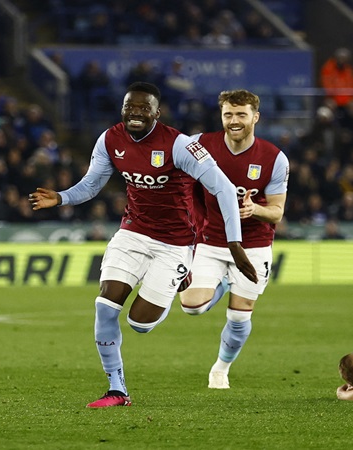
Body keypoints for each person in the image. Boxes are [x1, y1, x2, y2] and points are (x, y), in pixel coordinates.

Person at [28, 82, 258, 408]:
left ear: (156, 113)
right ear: (122, 109)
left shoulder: (178, 145)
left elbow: (222, 187)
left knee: (140, 324)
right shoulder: (110, 139)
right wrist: (63, 197)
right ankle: (117, 390)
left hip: (174, 243)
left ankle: (189, 279)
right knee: (105, 306)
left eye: (143, 108)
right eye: (130, 107)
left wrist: (234, 244)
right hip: (132, 233)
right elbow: (92, 184)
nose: (135, 113)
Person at [178, 89, 288, 389]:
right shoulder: (201, 145)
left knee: (238, 319)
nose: (234, 120)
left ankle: (220, 369)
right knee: (191, 306)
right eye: (228, 114)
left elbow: (277, 213)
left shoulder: (274, 158)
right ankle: (224, 281)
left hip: (254, 246)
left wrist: (255, 209)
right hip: (211, 241)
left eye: (241, 114)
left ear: (255, 117)